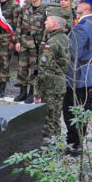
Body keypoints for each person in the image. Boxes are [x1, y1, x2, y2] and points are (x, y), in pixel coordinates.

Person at [63, 0, 92, 154]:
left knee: (71, 110)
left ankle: (74, 144)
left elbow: (71, 52)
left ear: (86, 6)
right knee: (81, 109)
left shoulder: (83, 26)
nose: (77, 5)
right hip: (87, 71)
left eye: (80, 3)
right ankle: (76, 142)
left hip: (77, 73)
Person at [33, 12, 70, 140]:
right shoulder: (65, 38)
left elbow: (42, 69)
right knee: (55, 117)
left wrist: (37, 92)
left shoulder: (52, 42)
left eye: (47, 20)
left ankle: (47, 149)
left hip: (50, 86)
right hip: (60, 84)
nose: (45, 22)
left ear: (54, 24)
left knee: (47, 118)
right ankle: (56, 145)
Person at [13, 0, 47, 103]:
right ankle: (22, 92)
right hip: (23, 41)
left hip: (36, 44)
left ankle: (32, 93)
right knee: (22, 67)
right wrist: (17, 41)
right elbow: (19, 25)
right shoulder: (25, 8)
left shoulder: (45, 10)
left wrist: (43, 43)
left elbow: (46, 29)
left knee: (34, 69)